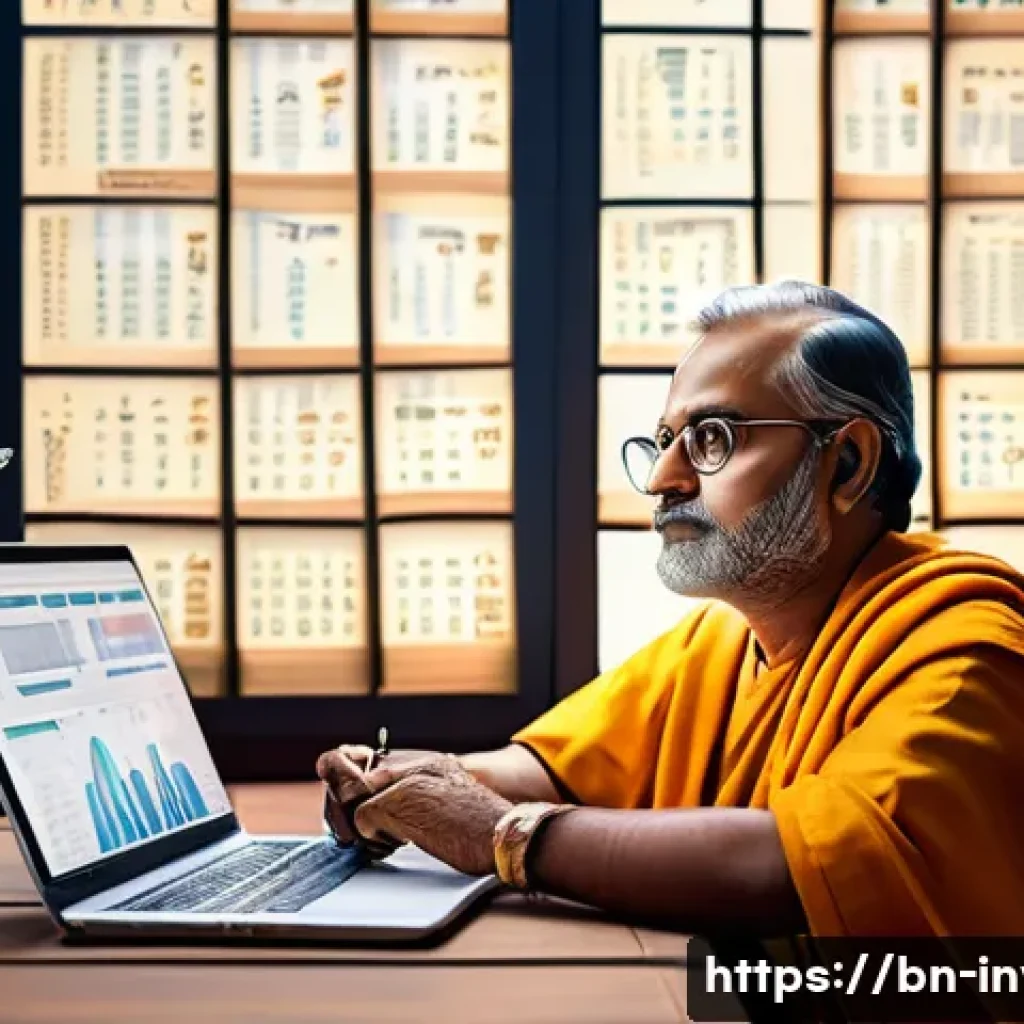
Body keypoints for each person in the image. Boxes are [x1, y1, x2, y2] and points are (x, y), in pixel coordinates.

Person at [317, 281, 1024, 938]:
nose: (662, 480)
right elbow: (554, 771)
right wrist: (406, 785)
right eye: (664, 442)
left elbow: (788, 871)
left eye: (712, 438)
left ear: (846, 464)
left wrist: (505, 836)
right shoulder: (722, 639)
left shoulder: (964, 643)